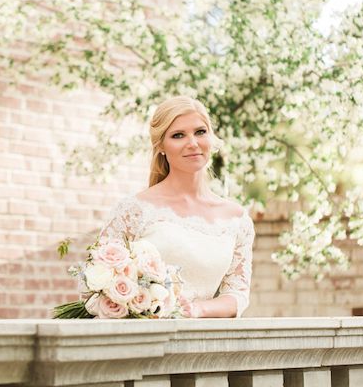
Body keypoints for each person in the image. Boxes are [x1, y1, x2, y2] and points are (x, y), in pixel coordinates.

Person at [100, 96, 255, 318]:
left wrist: (197, 309)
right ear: (161, 146)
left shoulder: (237, 219)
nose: (193, 143)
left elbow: (238, 295)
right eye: (178, 135)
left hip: (204, 344)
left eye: (200, 132)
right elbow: (99, 287)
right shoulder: (134, 210)